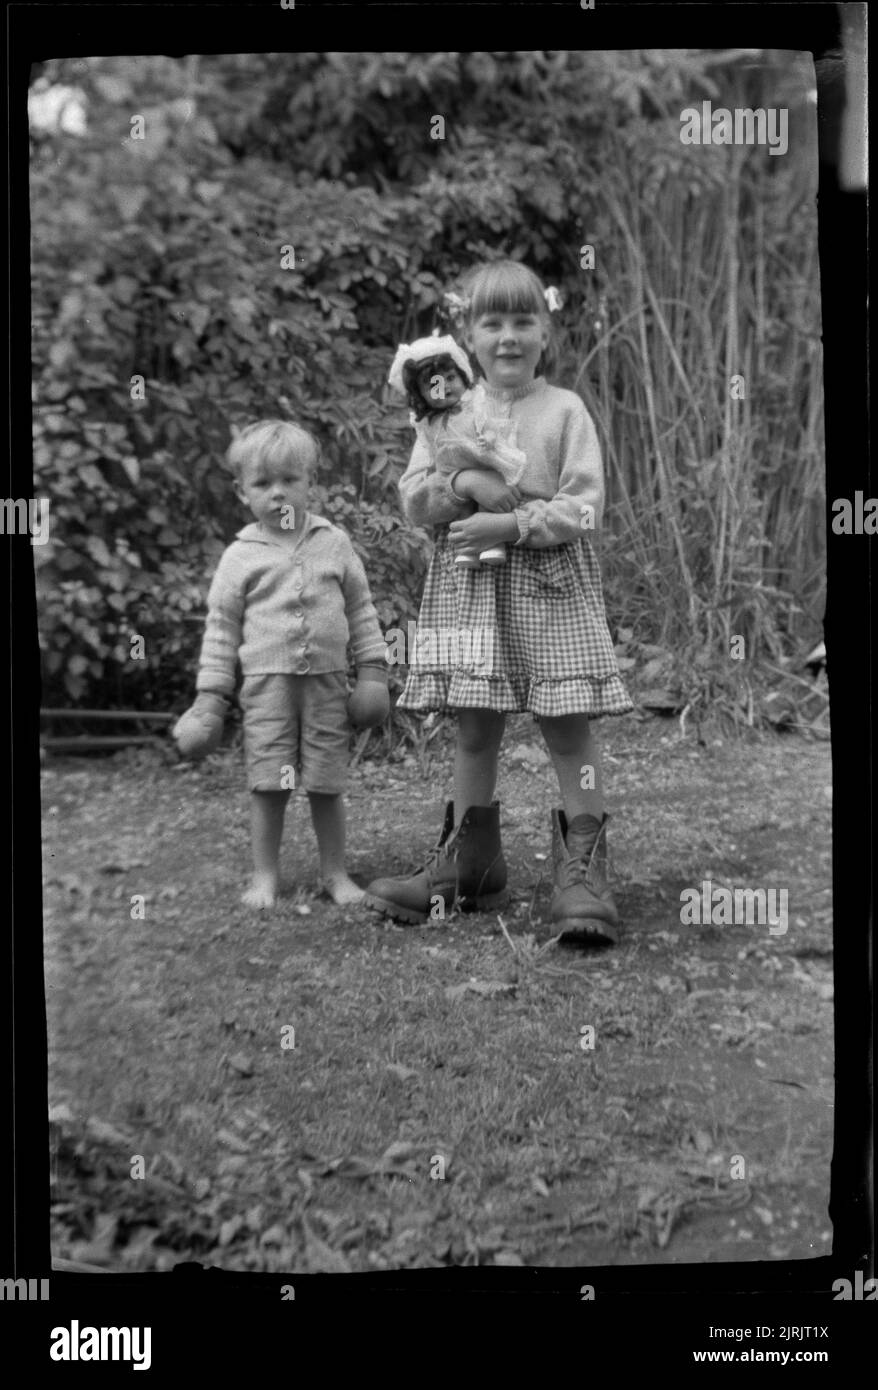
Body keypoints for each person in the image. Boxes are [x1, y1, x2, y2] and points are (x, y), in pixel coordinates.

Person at [365, 260, 633, 943]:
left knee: (567, 724)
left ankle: (585, 869)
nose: (507, 337)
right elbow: (415, 497)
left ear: (545, 332)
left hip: (549, 583)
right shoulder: (448, 411)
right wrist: (469, 489)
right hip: (467, 582)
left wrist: (513, 524)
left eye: (523, 323)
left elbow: (584, 506)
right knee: (474, 724)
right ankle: (473, 864)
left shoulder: (565, 410)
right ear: (468, 337)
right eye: (492, 324)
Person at [173, 419, 389, 909]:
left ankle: (336, 873)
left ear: (311, 482)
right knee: (269, 782)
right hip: (266, 689)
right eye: (263, 483)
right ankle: (264, 877)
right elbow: (221, 628)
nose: (278, 494)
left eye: (290, 480)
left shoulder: (334, 543)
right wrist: (210, 697)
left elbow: (361, 608)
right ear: (240, 491)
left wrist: (373, 671)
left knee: (326, 782)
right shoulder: (239, 556)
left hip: (328, 685)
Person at [387, 332, 528, 568]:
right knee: (465, 518)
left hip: (518, 545)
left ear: (464, 377)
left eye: (450, 378)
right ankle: (470, 549)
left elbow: (494, 428)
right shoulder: (428, 431)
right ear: (419, 395)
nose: (444, 388)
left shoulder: (480, 405)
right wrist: (463, 483)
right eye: (433, 385)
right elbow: (413, 503)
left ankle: (492, 544)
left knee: (489, 510)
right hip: (458, 560)